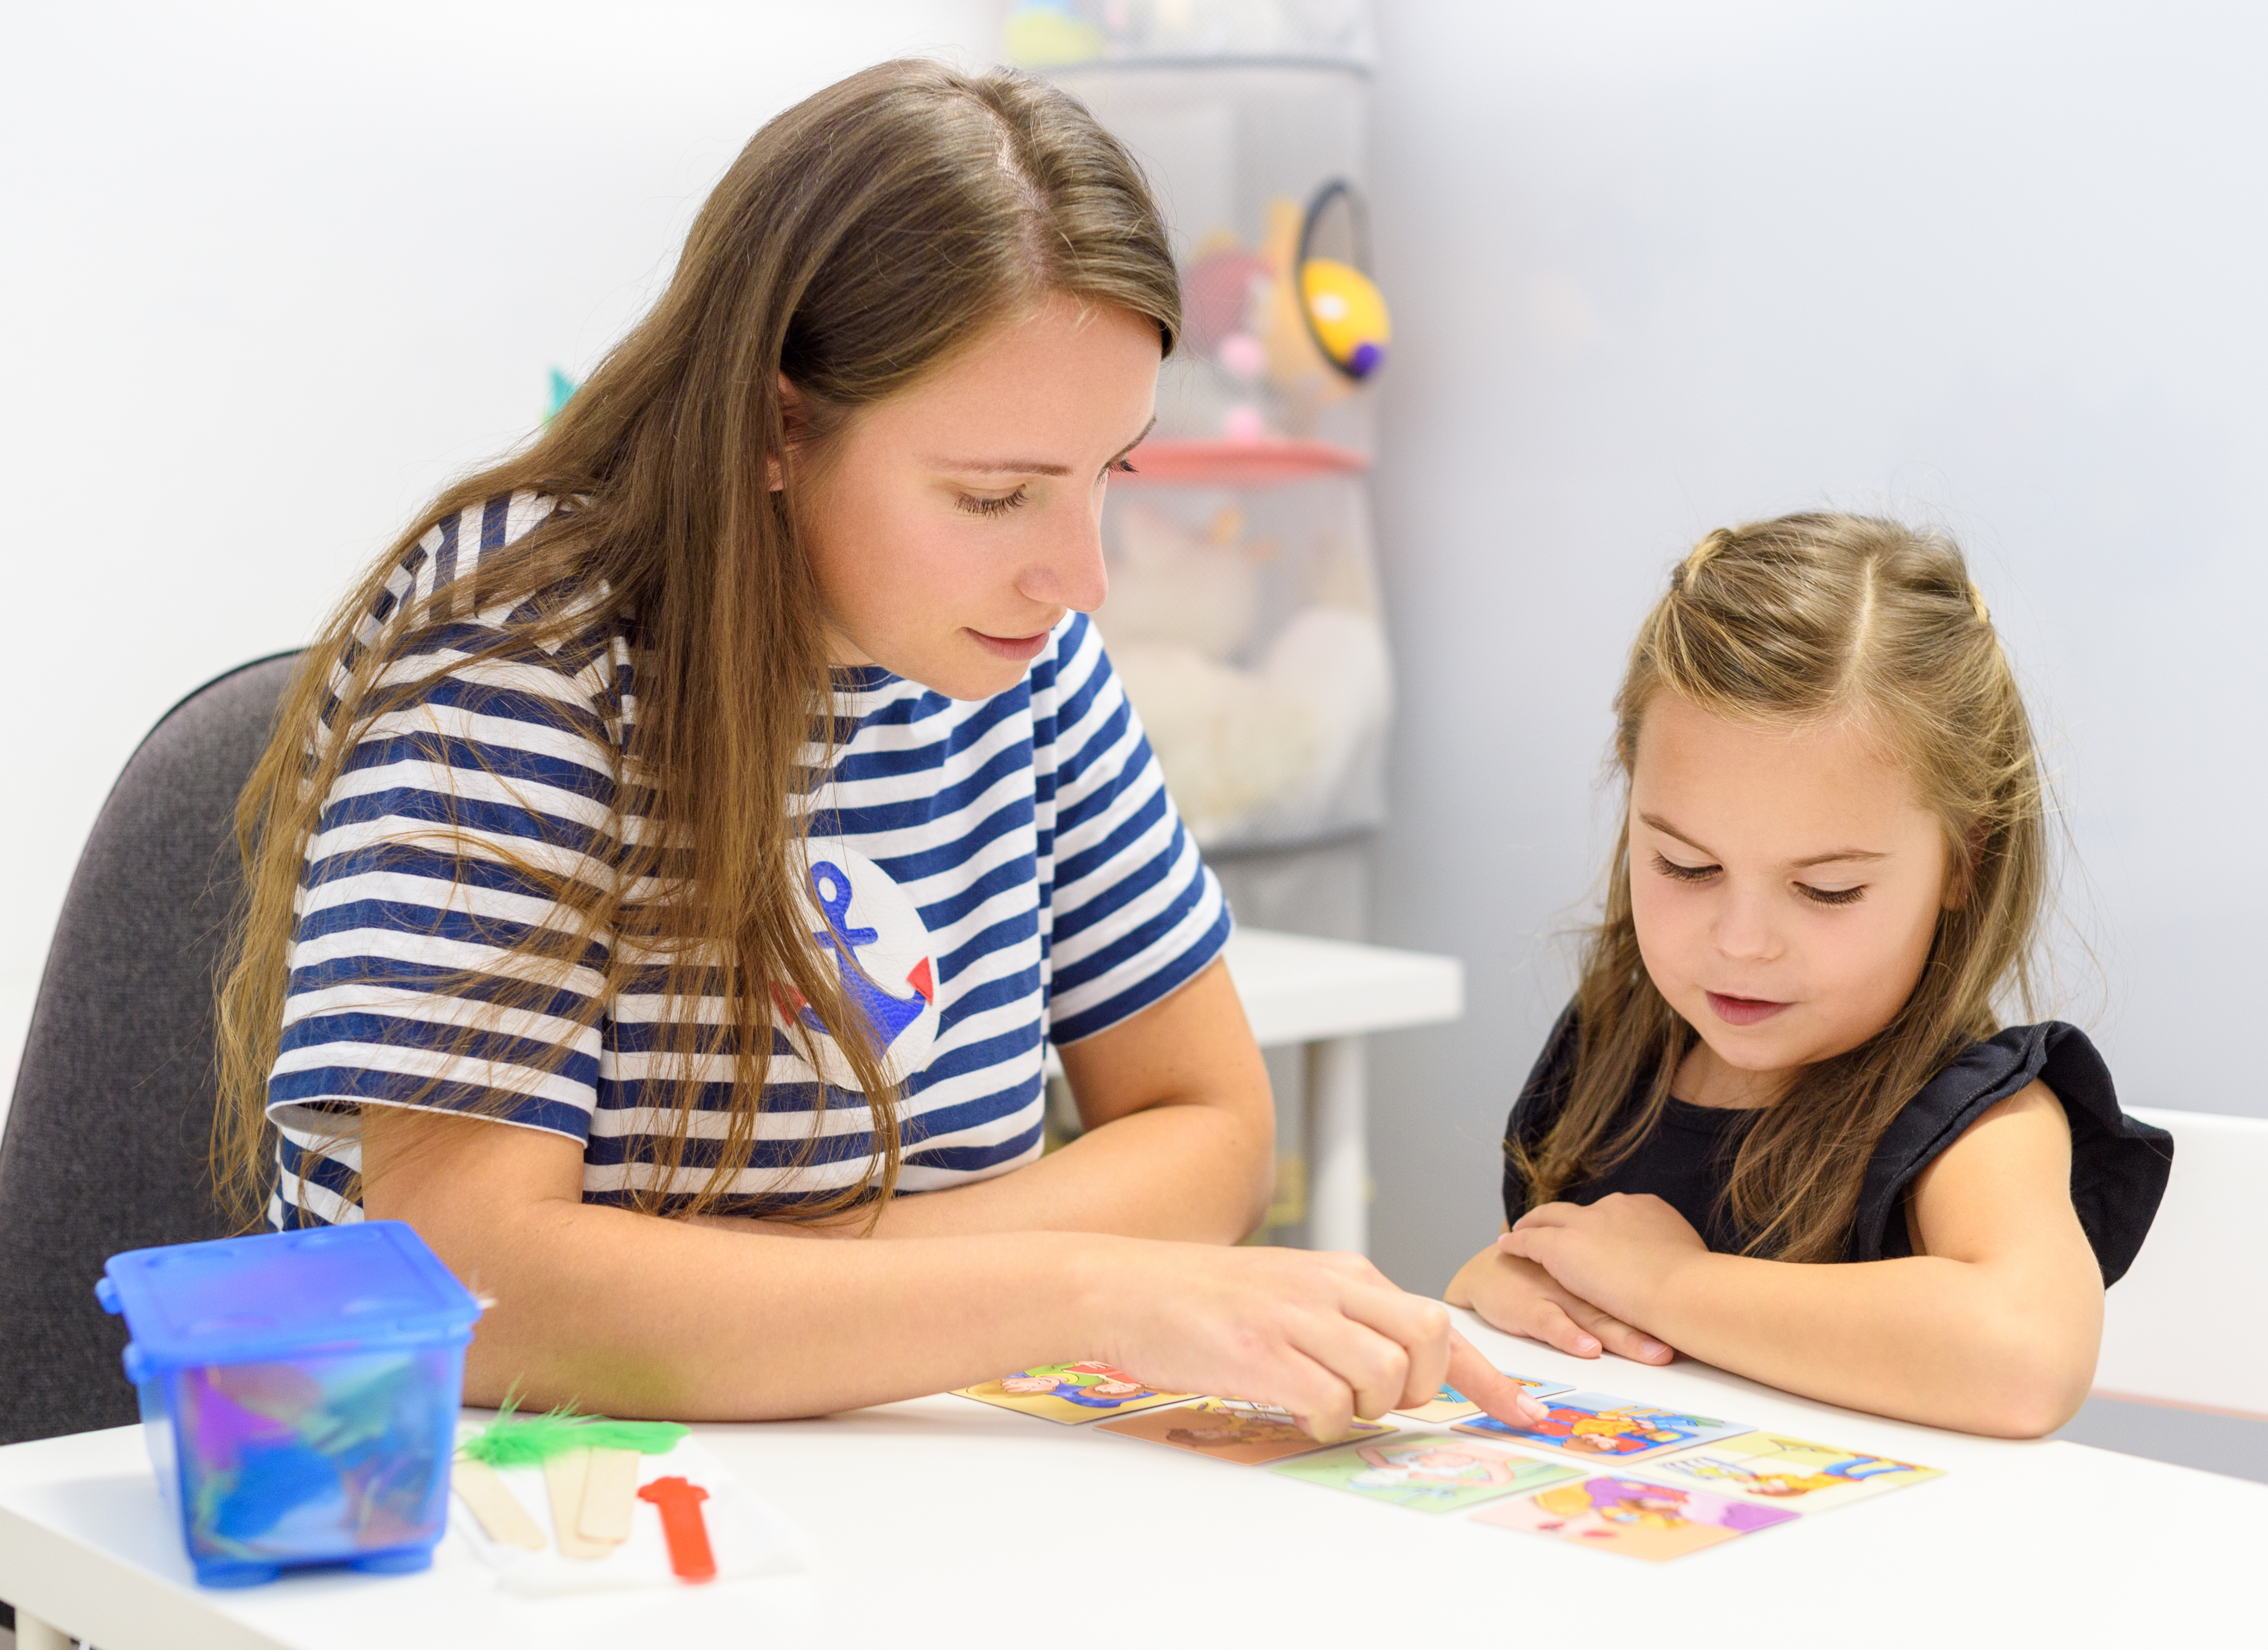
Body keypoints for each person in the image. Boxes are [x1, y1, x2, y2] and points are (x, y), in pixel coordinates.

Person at [210, 59, 1538, 1442]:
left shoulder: (1024, 657)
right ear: (779, 425)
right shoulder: (510, 655)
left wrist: (775, 1296)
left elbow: (1211, 1129)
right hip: (530, 1501)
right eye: (992, 495)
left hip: (891, 1468)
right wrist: (1067, 1289)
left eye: (1112, 472)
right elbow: (469, 1284)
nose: (1081, 579)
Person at [1446, 513, 2173, 1438]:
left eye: (1826, 890)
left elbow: (2025, 1357)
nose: (1742, 942)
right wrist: (1492, 1281)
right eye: (1685, 866)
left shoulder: (1974, 1116)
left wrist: (1666, 1282)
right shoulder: (1614, 1050)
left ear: (1961, 859)